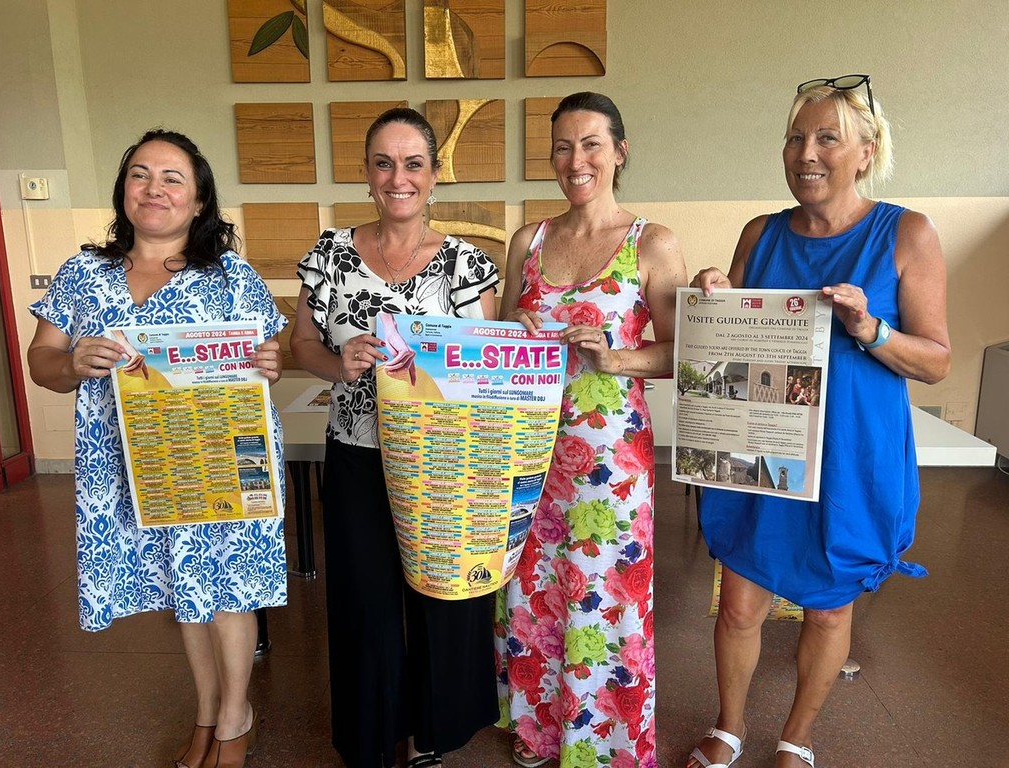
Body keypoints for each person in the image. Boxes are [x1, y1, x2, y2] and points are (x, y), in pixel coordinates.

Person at [688, 75, 950, 768]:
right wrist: (714, 296)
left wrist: (871, 328)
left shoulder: (907, 233)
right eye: (795, 138)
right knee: (739, 603)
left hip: (850, 454)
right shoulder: (761, 233)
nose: (806, 153)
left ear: (866, 152)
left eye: (827, 138)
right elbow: (730, 338)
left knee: (830, 608)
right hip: (763, 445)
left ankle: (797, 737)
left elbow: (935, 361)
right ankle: (730, 727)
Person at [26, 129, 287, 768]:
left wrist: (270, 363)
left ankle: (236, 717)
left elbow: (269, 357)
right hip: (130, 463)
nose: (154, 188)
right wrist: (73, 363)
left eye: (173, 178)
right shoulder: (82, 274)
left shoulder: (231, 277)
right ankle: (207, 711)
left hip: (221, 455)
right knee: (182, 588)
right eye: (140, 174)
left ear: (199, 201)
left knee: (228, 587)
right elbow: (41, 361)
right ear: (124, 190)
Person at [290, 107, 501, 768]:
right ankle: (371, 734)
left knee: (441, 597)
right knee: (365, 600)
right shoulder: (330, 254)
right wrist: (338, 362)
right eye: (383, 163)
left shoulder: (467, 265)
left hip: (443, 461)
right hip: (357, 452)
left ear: (435, 176)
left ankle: (432, 729)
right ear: (366, 173)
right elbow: (300, 344)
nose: (398, 177)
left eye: (413, 164)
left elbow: (486, 372)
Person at [495, 92, 688, 768]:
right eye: (562, 147)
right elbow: (497, 340)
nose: (575, 160)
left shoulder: (651, 243)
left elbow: (685, 352)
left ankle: (604, 743)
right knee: (531, 590)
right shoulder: (528, 240)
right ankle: (539, 729)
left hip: (610, 459)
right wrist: (509, 330)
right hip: (527, 449)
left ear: (619, 152)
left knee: (604, 593)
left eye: (590, 144)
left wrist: (617, 358)